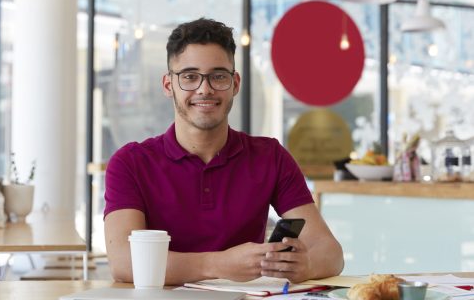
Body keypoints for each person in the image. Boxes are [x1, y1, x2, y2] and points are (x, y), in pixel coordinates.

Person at [104, 18, 343, 285]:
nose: (204, 89)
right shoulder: (130, 163)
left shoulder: (270, 156)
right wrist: (218, 264)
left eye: (218, 76)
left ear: (235, 84)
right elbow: (124, 263)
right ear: (168, 85)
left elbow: (331, 253)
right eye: (190, 77)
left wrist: (306, 265)